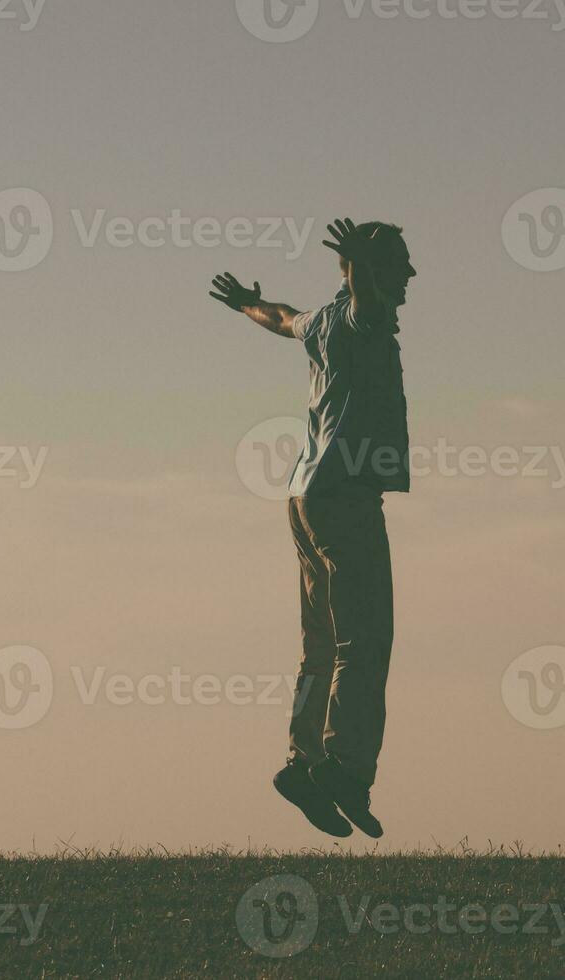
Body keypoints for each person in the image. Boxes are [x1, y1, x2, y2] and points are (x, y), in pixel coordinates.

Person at [209, 218, 416, 838]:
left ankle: (304, 762)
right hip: (347, 497)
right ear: (372, 274)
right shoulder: (360, 318)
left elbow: (281, 318)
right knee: (365, 639)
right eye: (401, 264)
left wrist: (247, 302)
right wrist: (358, 267)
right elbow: (368, 303)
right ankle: (346, 767)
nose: (411, 276)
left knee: (320, 644)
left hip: (304, 496)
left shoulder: (322, 321)